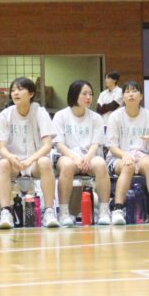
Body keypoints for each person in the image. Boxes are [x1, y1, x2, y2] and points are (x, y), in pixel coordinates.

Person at [0, 77, 60, 229]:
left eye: (20, 89)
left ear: (31, 94)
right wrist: (11, 157)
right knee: (3, 163)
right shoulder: (4, 115)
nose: (15, 93)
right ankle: (5, 212)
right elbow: (2, 148)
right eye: (13, 90)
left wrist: (30, 160)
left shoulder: (40, 112)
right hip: (14, 163)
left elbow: (47, 146)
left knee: (45, 162)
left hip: (34, 161)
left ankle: (49, 211)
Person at [105, 81, 149, 225]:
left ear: (141, 96)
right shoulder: (115, 116)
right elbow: (112, 147)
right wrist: (125, 155)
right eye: (127, 91)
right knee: (128, 166)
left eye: (134, 91)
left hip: (143, 154)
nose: (131, 94)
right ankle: (118, 209)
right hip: (119, 155)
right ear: (123, 97)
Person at [53, 80, 111, 226]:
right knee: (67, 166)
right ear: (74, 94)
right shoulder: (60, 116)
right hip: (67, 156)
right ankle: (64, 213)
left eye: (91, 94)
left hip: (89, 156)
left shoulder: (96, 118)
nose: (88, 97)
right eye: (84, 94)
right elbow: (59, 144)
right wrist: (75, 158)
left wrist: (87, 158)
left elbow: (96, 143)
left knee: (101, 164)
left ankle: (104, 210)